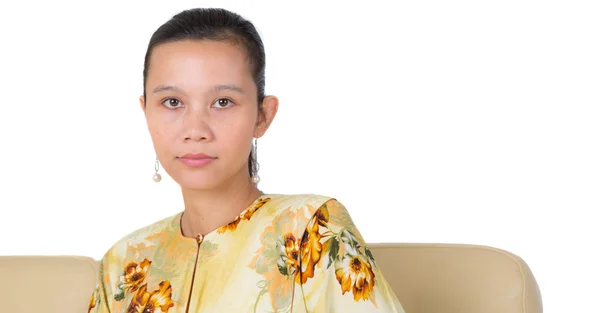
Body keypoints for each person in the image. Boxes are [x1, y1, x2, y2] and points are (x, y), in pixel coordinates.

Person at [88, 8, 405, 313]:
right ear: (146, 112)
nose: (195, 130)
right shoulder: (124, 263)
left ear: (262, 115)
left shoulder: (310, 228)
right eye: (172, 102)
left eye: (222, 102)